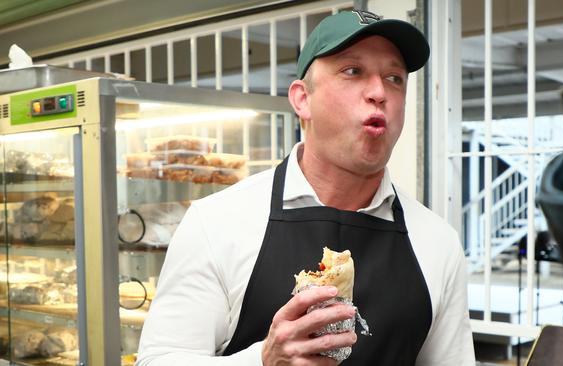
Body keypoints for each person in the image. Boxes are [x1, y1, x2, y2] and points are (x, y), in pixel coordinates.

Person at [136, 9, 475, 366]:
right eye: (352, 71)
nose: (379, 92)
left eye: (394, 78)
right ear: (302, 99)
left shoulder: (438, 243)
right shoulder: (217, 223)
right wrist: (263, 361)